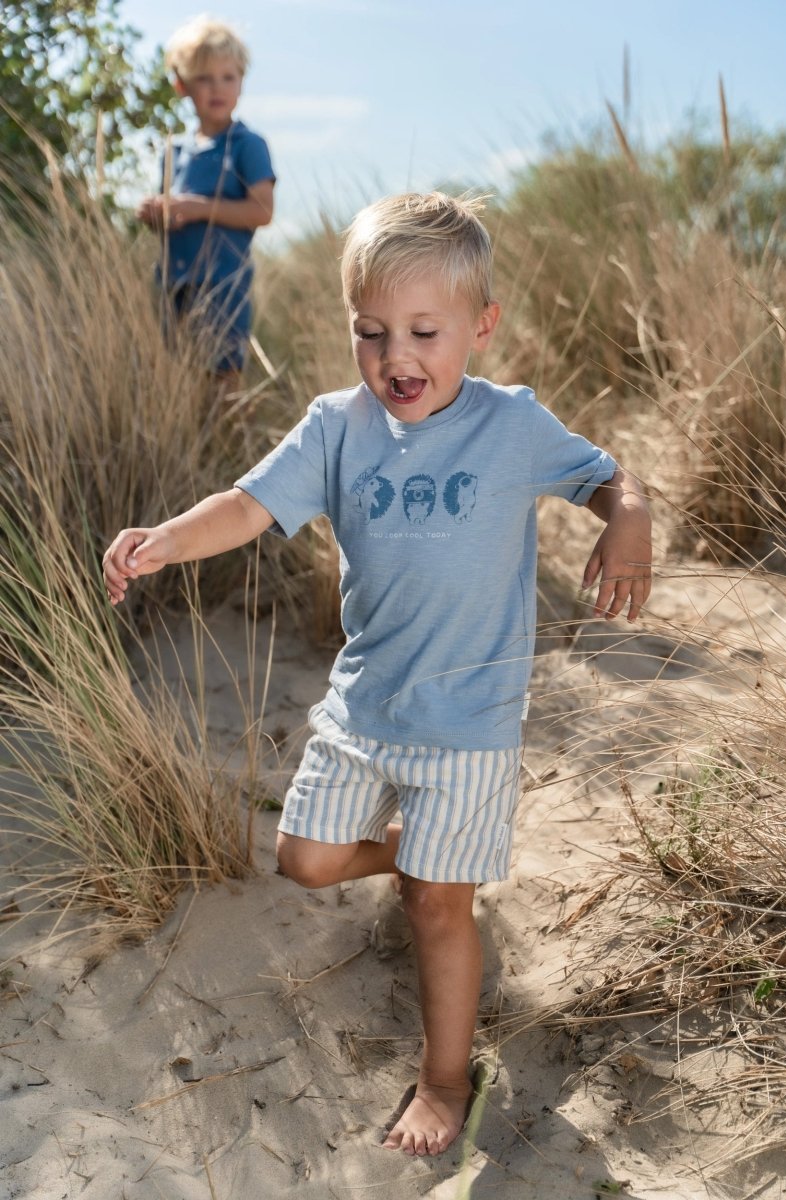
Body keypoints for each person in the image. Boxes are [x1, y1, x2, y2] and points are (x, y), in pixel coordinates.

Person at [103, 192, 652, 1158]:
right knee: (306, 858)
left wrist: (631, 516)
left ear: (481, 325)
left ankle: (445, 1078)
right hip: (364, 707)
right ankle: (424, 847)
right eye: (371, 331)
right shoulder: (336, 427)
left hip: (471, 717)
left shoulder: (512, 424)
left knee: (436, 905)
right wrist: (165, 541)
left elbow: (608, 476)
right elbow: (246, 504)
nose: (397, 355)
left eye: (425, 332)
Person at [136, 16, 276, 393]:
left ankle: (228, 434)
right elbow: (173, 213)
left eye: (228, 77)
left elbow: (262, 211)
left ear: (241, 81)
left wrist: (198, 207)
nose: (217, 88)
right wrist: (155, 213)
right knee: (177, 378)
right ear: (181, 85)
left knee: (221, 383)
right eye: (204, 78)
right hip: (173, 284)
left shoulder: (247, 144)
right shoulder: (175, 151)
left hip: (223, 285)